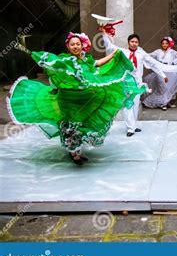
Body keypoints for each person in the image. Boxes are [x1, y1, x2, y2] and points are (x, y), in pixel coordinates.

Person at [7, 32, 146, 165]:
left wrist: (113, 55)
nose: (75, 46)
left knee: (81, 125)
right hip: (67, 99)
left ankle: (76, 150)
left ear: (82, 45)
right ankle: (74, 153)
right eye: (72, 44)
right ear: (68, 46)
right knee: (70, 126)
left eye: (78, 44)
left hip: (83, 99)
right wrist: (37, 56)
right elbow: (53, 68)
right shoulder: (64, 60)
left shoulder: (86, 60)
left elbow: (97, 63)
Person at [97, 16, 173, 137]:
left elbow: (153, 64)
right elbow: (110, 46)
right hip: (127, 82)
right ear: (128, 43)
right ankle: (130, 128)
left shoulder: (141, 54)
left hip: (138, 83)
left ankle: (133, 125)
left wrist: (163, 75)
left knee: (135, 104)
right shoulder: (124, 52)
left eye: (136, 42)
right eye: (132, 41)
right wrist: (104, 34)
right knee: (128, 104)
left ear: (138, 43)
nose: (134, 43)